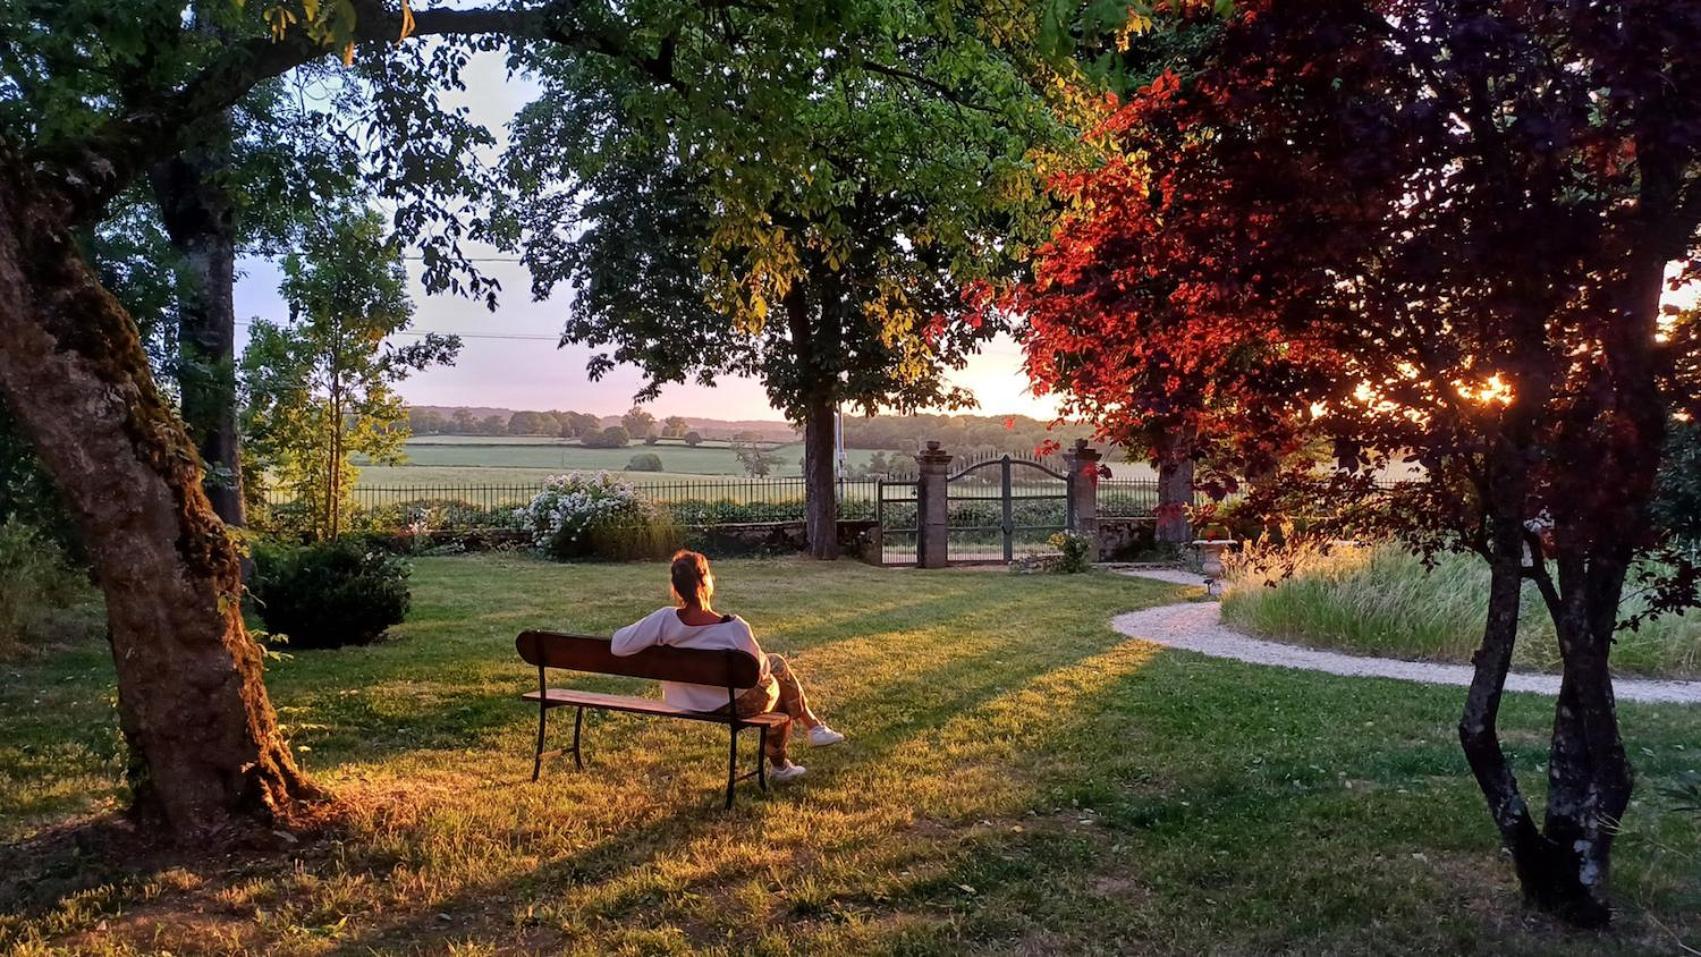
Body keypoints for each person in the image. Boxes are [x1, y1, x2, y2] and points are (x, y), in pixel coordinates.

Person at [611, 550, 844, 782]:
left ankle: (812, 732)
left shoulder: (663, 619)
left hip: (684, 700)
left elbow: (618, 645)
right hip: (733, 705)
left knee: (776, 665)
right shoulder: (734, 628)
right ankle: (791, 755)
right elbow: (759, 673)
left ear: (676, 586)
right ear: (706, 581)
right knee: (778, 677)